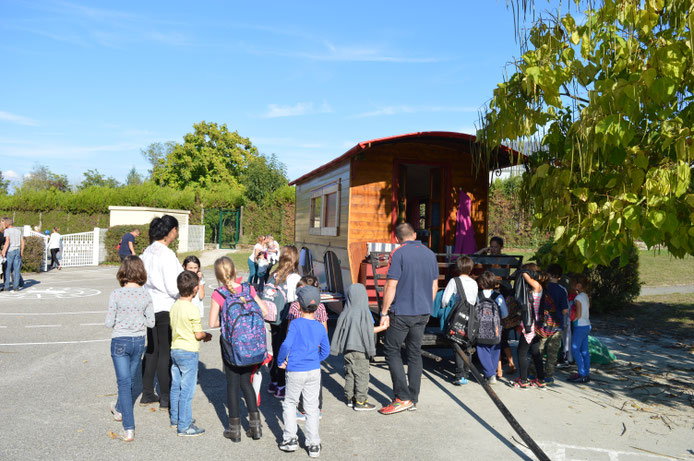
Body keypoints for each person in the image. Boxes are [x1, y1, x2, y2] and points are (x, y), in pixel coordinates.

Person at [379, 223, 439, 415]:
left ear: (396, 238)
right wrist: (428, 308)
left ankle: (401, 397)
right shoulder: (430, 254)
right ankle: (413, 398)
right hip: (423, 312)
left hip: (402, 312)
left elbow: (391, 285)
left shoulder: (398, 254)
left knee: (391, 350)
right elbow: (434, 285)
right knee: (414, 353)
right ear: (414, 235)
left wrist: (384, 312)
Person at [209, 256, 268, 442]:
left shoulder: (219, 294)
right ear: (235, 270)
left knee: (232, 385)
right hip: (252, 346)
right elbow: (265, 311)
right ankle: (256, 428)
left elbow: (212, 322)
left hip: (231, 346)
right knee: (246, 383)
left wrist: (226, 321)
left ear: (218, 276)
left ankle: (234, 431)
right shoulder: (249, 289)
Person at [105, 256, 154, 442]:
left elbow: (109, 322)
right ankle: (118, 408)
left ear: (123, 271)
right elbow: (151, 321)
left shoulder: (116, 294)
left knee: (124, 382)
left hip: (120, 340)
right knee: (130, 380)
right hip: (138, 340)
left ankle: (129, 426)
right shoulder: (145, 294)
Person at [277, 285, 330, 458]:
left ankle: (290, 438)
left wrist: (281, 360)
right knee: (312, 407)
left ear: (299, 304)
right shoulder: (320, 327)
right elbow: (326, 351)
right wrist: (316, 359)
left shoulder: (295, 324)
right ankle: (313, 443)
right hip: (314, 370)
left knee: (291, 403)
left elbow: (286, 344)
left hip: (295, 370)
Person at [140, 216, 183, 409]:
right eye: (177, 230)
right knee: (165, 351)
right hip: (165, 306)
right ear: (172, 230)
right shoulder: (167, 254)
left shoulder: (147, 252)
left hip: (149, 306)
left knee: (152, 350)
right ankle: (166, 396)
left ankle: (147, 392)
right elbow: (172, 286)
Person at [330, 283, 387, 410]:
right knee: (362, 375)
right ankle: (361, 401)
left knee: (350, 373)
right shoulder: (364, 313)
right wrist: (382, 328)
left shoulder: (346, 312)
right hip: (361, 350)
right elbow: (368, 330)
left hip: (347, 350)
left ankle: (350, 398)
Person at [169, 270, 212, 436]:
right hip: (189, 351)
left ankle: (176, 418)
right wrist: (206, 335)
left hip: (175, 349)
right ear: (195, 289)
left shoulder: (175, 306)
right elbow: (197, 334)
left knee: (176, 386)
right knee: (187, 390)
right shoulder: (193, 309)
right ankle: (184, 426)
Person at [287, 276, 327, 419]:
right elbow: (324, 329)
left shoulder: (294, 306)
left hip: (298, 348)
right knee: (315, 379)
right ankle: (317, 408)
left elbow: (290, 329)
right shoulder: (321, 307)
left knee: (299, 378)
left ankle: (302, 409)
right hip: (314, 348)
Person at [267, 245, 302, 399]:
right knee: (286, 350)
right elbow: (297, 298)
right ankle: (282, 384)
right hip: (287, 316)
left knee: (276, 346)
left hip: (273, 315)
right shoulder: (294, 277)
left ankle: (274, 380)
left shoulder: (274, 274)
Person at [441, 255, 478, 385]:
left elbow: (445, 300)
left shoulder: (454, 281)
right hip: (472, 316)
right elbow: (474, 300)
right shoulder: (474, 282)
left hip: (458, 316)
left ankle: (459, 374)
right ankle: (467, 374)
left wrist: (445, 307)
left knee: (457, 342)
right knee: (467, 343)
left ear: (457, 268)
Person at [530, 263, 568, 384]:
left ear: (548, 274)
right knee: (552, 352)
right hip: (557, 326)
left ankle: (532, 373)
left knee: (538, 350)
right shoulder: (562, 290)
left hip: (542, 325)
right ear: (560, 277)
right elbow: (565, 310)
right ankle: (548, 376)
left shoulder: (542, 287)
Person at [514, 263, 548, 389]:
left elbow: (524, 275)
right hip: (535, 324)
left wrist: (522, 271)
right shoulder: (535, 286)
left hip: (531, 325)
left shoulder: (536, 285)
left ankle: (523, 380)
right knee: (535, 352)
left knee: (521, 352)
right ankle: (541, 379)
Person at [475, 271, 508, 384]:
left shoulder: (478, 296)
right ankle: (491, 373)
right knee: (495, 350)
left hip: (481, 328)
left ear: (481, 284)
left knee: (482, 350)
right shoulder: (498, 296)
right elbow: (505, 314)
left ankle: (490, 374)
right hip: (496, 328)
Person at [568, 275, 591, 383]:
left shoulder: (577, 298)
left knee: (575, 349)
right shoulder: (585, 296)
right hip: (587, 325)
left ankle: (581, 373)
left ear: (578, 285)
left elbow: (578, 314)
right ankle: (586, 373)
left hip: (580, 326)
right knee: (585, 351)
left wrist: (571, 318)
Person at [2, 217, 24, 292]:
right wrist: (22, 250)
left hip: (10, 251)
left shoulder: (7, 231)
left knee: (7, 269)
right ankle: (16, 286)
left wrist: (4, 251)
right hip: (17, 249)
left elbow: (7, 241)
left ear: (7, 224)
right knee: (16, 269)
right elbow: (22, 242)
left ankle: (6, 286)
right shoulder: (18, 231)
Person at [182, 256, 205, 320]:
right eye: (190, 268)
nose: (193, 270)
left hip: (196, 311)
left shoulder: (200, 279)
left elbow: (201, 296)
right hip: (185, 311)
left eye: (195, 268)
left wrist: (199, 280)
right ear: (184, 267)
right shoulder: (182, 278)